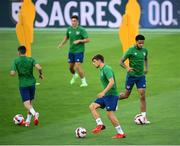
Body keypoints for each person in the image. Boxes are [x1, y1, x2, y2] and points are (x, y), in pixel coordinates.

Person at [89, 54, 126, 139]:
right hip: (106, 95)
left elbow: (111, 82)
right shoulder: (101, 70)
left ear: (99, 60)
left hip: (111, 95)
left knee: (110, 114)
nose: (93, 64)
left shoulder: (106, 69)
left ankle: (121, 133)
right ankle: (100, 124)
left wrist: (103, 92)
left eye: (94, 62)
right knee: (92, 106)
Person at [119, 34, 150, 124]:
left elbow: (146, 59)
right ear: (136, 42)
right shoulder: (130, 50)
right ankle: (114, 98)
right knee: (125, 95)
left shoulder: (145, 51)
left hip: (141, 77)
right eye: (140, 43)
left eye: (142, 43)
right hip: (131, 76)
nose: (141, 45)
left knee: (142, 95)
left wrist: (146, 68)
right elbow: (121, 61)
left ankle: (144, 117)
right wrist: (127, 68)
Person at [10, 46, 44, 127]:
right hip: (32, 83)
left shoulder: (16, 60)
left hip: (23, 84)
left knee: (26, 103)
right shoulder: (31, 59)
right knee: (30, 103)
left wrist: (13, 73)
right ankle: (28, 121)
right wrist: (40, 74)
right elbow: (39, 67)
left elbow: (12, 73)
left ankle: (35, 114)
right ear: (25, 52)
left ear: (19, 52)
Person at [58, 15, 90, 87]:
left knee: (78, 66)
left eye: (74, 21)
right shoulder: (69, 29)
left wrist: (79, 40)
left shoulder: (81, 30)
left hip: (79, 51)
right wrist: (61, 44)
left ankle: (84, 82)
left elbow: (88, 40)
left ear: (77, 22)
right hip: (71, 51)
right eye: (72, 21)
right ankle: (74, 75)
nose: (73, 22)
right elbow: (66, 37)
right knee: (70, 68)